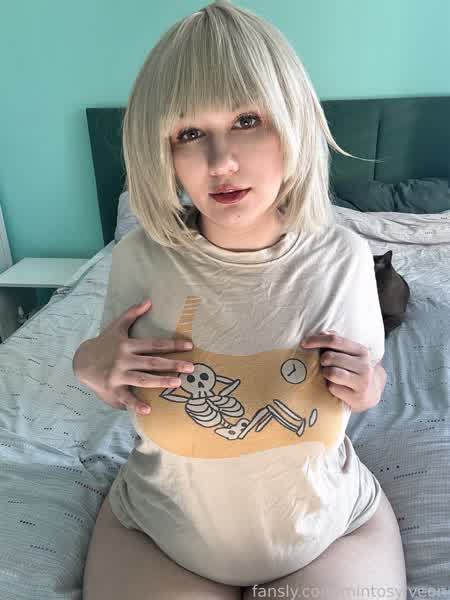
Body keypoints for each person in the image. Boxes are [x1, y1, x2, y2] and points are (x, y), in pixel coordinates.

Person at [73, 1, 407, 598]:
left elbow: (368, 379)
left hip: (330, 535)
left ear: (293, 123)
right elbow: (114, 381)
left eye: (247, 120)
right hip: (159, 536)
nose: (220, 163)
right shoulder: (137, 260)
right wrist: (88, 365)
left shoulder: (345, 258)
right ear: (164, 152)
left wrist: (369, 386)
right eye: (189, 133)